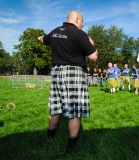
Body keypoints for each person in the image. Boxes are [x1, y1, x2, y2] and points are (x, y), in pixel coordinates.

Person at [37, 10, 98, 153]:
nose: (83, 24)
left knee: (55, 105)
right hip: (73, 73)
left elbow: (43, 39)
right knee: (75, 110)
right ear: (76, 20)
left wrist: (39, 38)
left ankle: (51, 135)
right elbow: (93, 56)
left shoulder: (55, 31)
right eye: (82, 21)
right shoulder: (79, 33)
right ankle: (71, 145)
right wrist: (91, 43)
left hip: (57, 72)